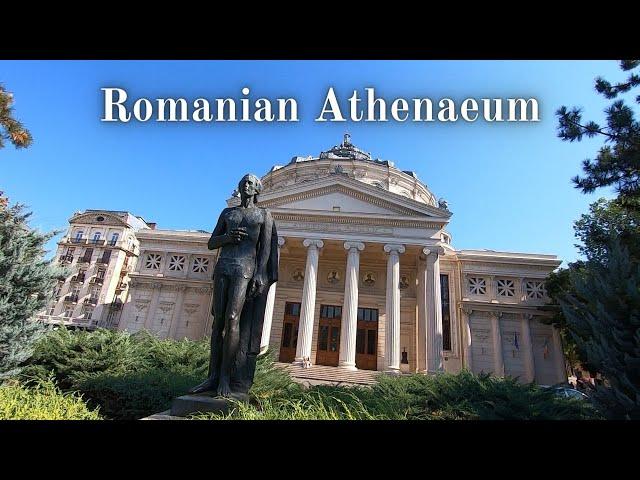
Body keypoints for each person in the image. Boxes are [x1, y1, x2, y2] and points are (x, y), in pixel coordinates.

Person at [189, 173, 277, 398]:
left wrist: (260, 274)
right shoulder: (228, 213)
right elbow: (211, 242)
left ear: (257, 189)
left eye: (250, 183)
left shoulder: (264, 215)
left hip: (245, 270)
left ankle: (227, 378)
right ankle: (212, 377)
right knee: (217, 322)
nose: (246, 185)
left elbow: (266, 249)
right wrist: (227, 237)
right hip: (224, 267)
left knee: (232, 319)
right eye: (243, 182)